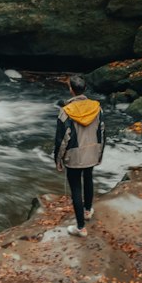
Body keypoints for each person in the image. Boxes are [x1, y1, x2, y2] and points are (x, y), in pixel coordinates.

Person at [53, 73, 105, 237]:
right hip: (91, 151)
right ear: (84, 89)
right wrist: (99, 154)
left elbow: (61, 139)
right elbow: (102, 133)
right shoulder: (97, 108)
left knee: (76, 188)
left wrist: (58, 160)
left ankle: (81, 228)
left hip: (74, 155)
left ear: (71, 90)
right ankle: (88, 211)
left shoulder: (65, 112)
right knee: (88, 178)